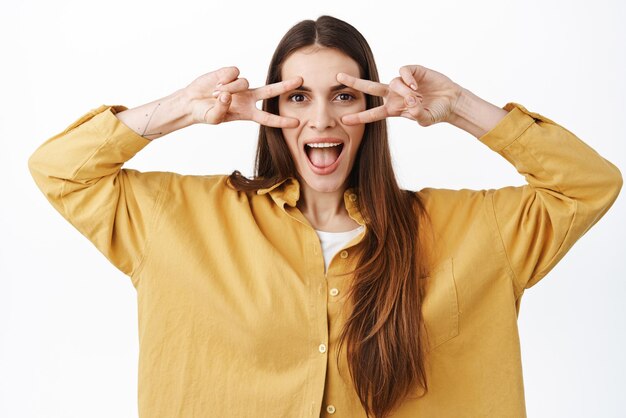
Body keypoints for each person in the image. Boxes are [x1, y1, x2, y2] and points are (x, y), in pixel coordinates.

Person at [28, 15, 621, 418]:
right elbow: (59, 170)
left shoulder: (469, 229)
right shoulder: (180, 219)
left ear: (371, 109)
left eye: (343, 95)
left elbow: (588, 186)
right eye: (297, 97)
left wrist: (458, 108)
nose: (321, 120)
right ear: (272, 109)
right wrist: (180, 110)